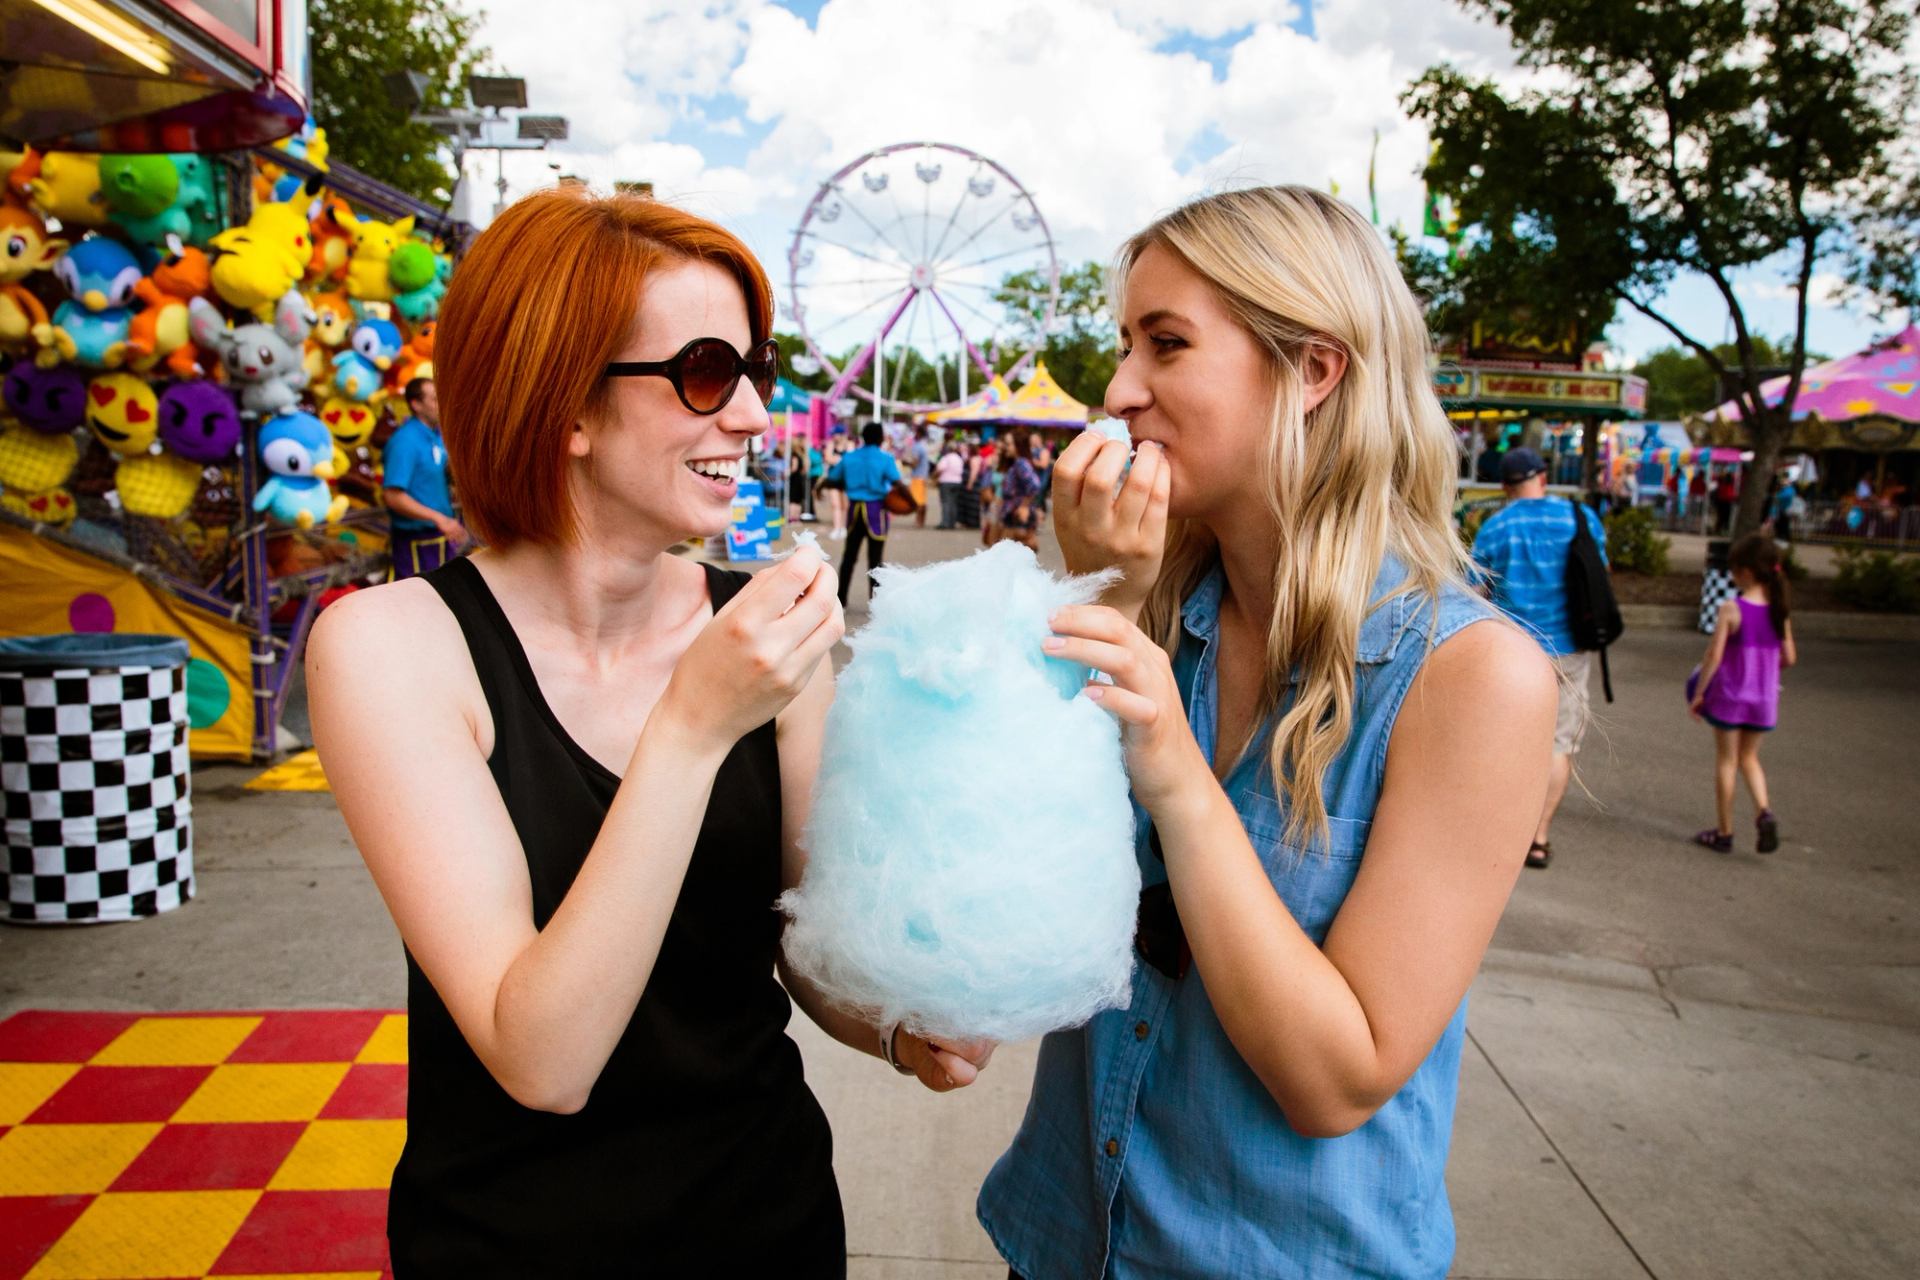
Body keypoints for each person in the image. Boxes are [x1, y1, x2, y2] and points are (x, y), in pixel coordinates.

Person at [306, 188, 988, 1276]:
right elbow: (542, 1056)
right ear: (564, 403)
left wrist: (903, 1024)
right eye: (710, 372)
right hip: (510, 1239)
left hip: (767, 1220)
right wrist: (692, 724)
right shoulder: (392, 647)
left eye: (756, 370)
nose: (758, 414)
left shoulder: (765, 628)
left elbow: (804, 943)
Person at [979, 186, 1553, 1279]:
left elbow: (1337, 1078)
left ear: (1313, 370)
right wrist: (1099, 594)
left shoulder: (1470, 678)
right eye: (1123, 343)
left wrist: (1180, 781)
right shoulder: (1158, 612)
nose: (1118, 389)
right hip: (1061, 1240)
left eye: (1167, 344)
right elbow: (1002, 871)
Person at [1469, 446, 1607, 870]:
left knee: (1503, 741)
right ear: (1544, 478)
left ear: (1505, 486)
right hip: (1569, 649)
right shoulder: (1579, 520)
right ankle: (1539, 837)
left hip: (1512, 654)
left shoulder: (1495, 527)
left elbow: (1475, 591)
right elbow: (1601, 574)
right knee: (1558, 744)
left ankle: (1497, 829)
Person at [1690, 533, 1796, 854]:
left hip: (1730, 697)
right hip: (1764, 700)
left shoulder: (1731, 609)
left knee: (1726, 760)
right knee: (1749, 758)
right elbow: (1789, 658)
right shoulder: (1779, 611)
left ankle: (1725, 832)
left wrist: (1700, 692)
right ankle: (1764, 811)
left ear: (1746, 571)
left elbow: (1714, 657)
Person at [383, 378, 467, 579]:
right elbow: (393, 496)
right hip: (416, 541)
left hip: (440, 537)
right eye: (435, 399)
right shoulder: (405, 441)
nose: (441, 405)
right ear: (416, 404)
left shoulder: (436, 436)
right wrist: (438, 518)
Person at [828, 421, 902, 606]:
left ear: (862, 437)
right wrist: (913, 503)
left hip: (854, 511)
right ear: (880, 438)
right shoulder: (885, 459)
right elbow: (897, 482)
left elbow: (833, 479)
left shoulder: (850, 457)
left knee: (849, 557)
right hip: (876, 511)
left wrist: (849, 485)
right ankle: (875, 603)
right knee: (876, 559)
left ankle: (841, 600)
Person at [997, 430, 1044, 550]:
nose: (1005, 447)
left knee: (1015, 550)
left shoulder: (1021, 463)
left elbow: (1034, 485)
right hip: (1014, 513)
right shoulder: (1017, 463)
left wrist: (1024, 506)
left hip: (1018, 514)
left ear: (1018, 445)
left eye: (1008, 444)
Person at [933, 439, 966, 529]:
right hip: (957, 482)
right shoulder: (959, 459)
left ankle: (945, 523)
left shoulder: (946, 458)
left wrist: (934, 476)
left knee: (946, 503)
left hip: (946, 482)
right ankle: (952, 523)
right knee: (953, 503)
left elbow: (940, 469)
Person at [904, 427, 932, 527]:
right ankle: (922, 521)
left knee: (918, 501)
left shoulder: (917, 447)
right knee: (922, 500)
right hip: (923, 475)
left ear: (919, 433)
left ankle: (918, 522)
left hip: (918, 476)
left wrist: (905, 462)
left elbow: (915, 463)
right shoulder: (924, 445)